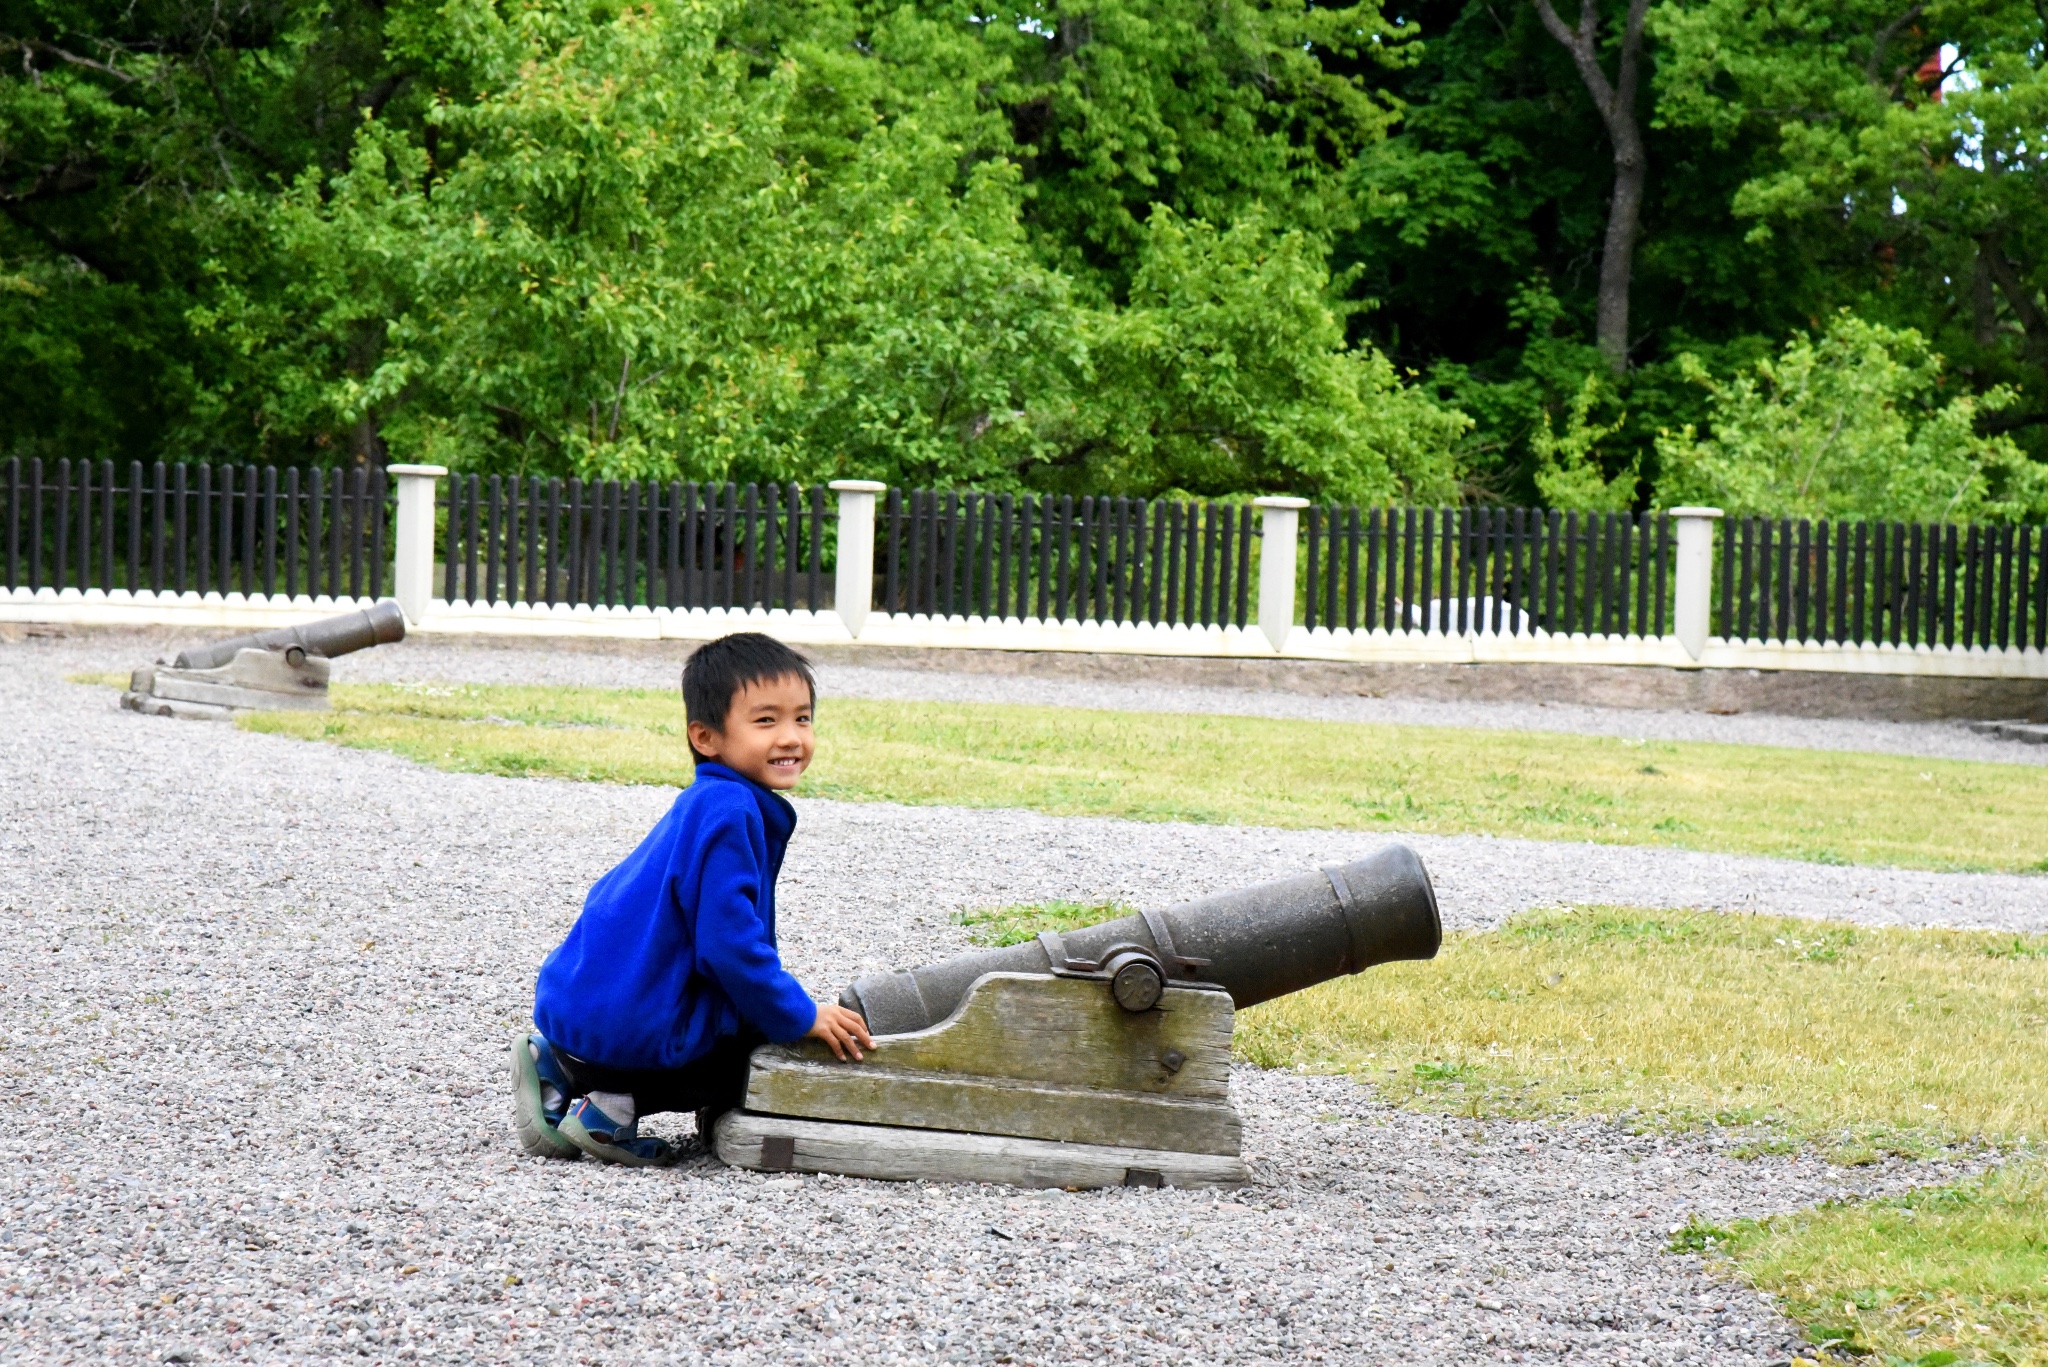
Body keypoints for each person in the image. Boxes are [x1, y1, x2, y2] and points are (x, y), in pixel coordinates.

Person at [510, 632, 873, 1166]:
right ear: (706, 737)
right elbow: (728, 947)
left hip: (582, 1016)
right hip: (631, 1034)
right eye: (766, 721)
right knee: (756, 1058)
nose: (791, 737)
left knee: (745, 1019)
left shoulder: (706, 801)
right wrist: (800, 1014)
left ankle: (560, 1069)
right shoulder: (732, 812)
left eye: (802, 718)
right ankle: (611, 1108)